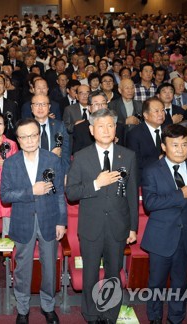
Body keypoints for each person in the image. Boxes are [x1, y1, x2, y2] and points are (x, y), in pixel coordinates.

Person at [66, 109, 138, 323]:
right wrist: (97, 183)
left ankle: (109, 314)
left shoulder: (128, 155)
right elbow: (71, 192)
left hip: (118, 226)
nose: (106, 130)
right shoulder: (81, 157)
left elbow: (132, 195)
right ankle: (90, 314)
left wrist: (132, 227)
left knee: (113, 273)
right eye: (100, 126)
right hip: (91, 226)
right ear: (91, 130)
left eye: (110, 125)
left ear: (115, 128)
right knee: (89, 275)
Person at [0, 118, 66, 324]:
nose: (29, 140)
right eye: (24, 136)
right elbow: (5, 196)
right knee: (22, 269)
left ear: (39, 136)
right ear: (18, 140)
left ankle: (48, 306)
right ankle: (22, 309)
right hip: (22, 222)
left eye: (33, 135)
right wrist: (32, 191)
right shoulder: (10, 163)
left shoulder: (52, 160)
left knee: (49, 268)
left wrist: (61, 221)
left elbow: (59, 194)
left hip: (49, 220)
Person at [141, 124, 187, 324]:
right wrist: (181, 194)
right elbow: (150, 204)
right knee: (156, 284)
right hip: (161, 237)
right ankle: (154, 318)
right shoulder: (152, 170)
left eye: (184, 144)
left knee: (180, 283)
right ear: (163, 146)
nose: (180, 149)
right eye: (175, 145)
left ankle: (176, 318)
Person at [126, 97, 166, 179]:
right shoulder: (134, 134)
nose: (161, 114)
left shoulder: (169, 130)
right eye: (156, 111)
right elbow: (135, 161)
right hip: (147, 177)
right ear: (146, 115)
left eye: (162, 110)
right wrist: (158, 159)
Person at [31, 94, 70, 171]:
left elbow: (66, 152)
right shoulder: (25, 127)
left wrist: (66, 174)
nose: (40, 108)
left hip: (56, 171)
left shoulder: (59, 126)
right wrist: (50, 156)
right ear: (31, 108)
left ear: (49, 107)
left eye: (43, 104)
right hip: (33, 171)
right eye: (37, 104)